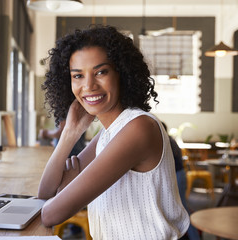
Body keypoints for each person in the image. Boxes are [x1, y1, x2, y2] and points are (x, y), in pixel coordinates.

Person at [37, 25, 190, 240]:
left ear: (122, 73)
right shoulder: (110, 132)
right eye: (78, 75)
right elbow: (44, 195)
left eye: (100, 72)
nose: (88, 85)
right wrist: (70, 133)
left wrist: (65, 186)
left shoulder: (138, 128)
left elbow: (51, 214)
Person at [162, 122, 201, 240]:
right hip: (180, 174)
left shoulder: (165, 141)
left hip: (177, 175)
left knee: (182, 209)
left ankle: (195, 237)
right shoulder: (170, 139)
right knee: (181, 207)